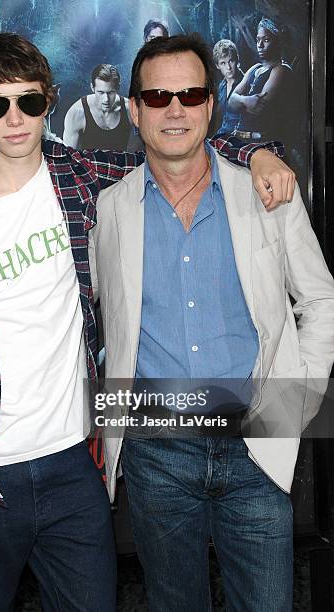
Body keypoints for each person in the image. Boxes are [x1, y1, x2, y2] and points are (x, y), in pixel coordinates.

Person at [0, 30, 294, 612]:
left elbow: (174, 146)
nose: (15, 118)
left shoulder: (84, 181)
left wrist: (258, 152)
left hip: (74, 471)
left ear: (48, 102)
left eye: (28, 101)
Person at [90, 33, 334, 611]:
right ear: (133, 109)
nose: (175, 108)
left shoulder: (269, 194)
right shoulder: (107, 209)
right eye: (157, 97)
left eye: (191, 94)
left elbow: (320, 301)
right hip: (155, 452)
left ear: (210, 105)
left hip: (257, 441)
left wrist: (293, 404)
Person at [228, 17, 293, 145]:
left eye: (266, 40)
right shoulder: (255, 68)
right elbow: (230, 102)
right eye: (258, 40)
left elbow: (258, 108)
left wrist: (239, 100)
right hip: (240, 139)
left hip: (260, 143)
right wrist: (246, 100)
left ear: (278, 42)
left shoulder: (280, 69)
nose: (260, 45)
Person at [63, 63, 132, 150]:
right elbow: (68, 157)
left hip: (123, 163)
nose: (106, 99)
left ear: (118, 87)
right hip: (87, 163)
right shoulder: (77, 113)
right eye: (101, 92)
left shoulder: (130, 109)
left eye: (110, 92)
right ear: (92, 87)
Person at [212, 39, 243, 134]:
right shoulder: (221, 87)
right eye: (223, 63)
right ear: (217, 65)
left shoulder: (247, 83)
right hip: (221, 137)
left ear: (237, 59)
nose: (228, 67)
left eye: (231, 61)